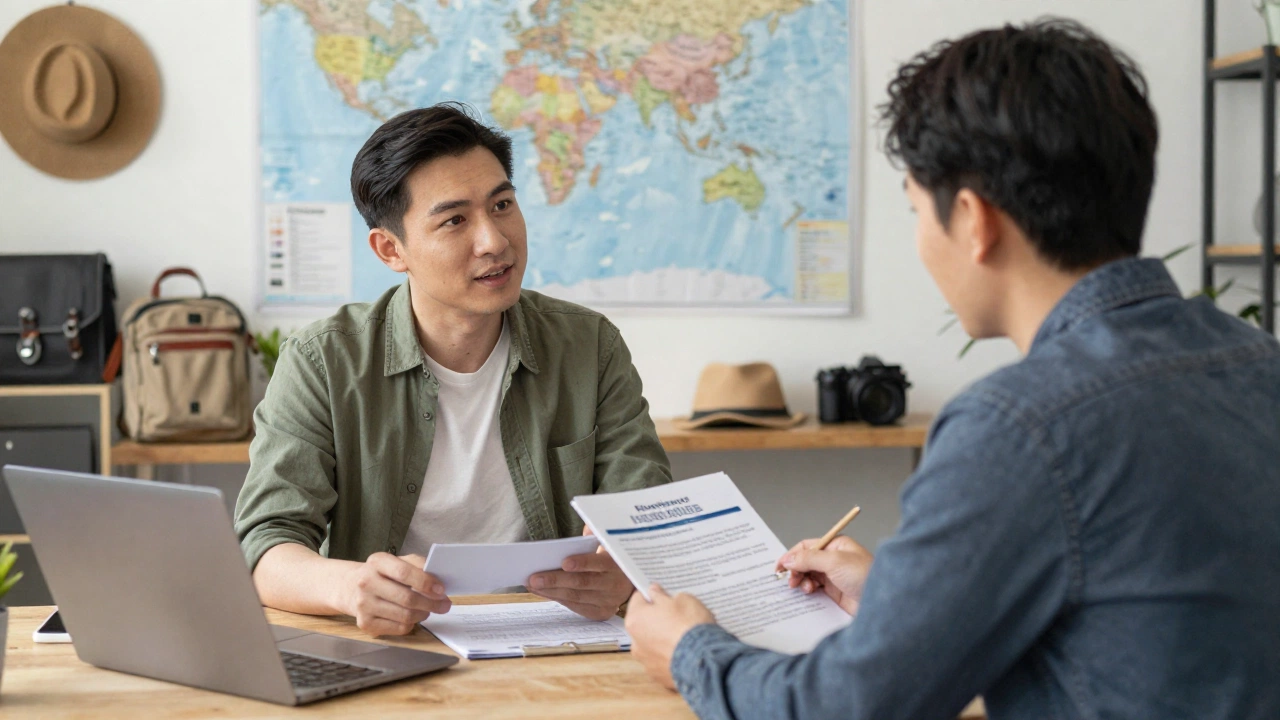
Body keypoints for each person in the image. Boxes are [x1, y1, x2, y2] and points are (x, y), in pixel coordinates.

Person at [624, 19, 1280, 720]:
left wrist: (690, 648)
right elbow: (1138, 623)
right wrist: (900, 602)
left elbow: (842, 708)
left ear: (973, 221)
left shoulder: (1018, 426)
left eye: (915, 210)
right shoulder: (1257, 363)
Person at [235, 103, 671, 636]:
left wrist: (623, 571)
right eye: (455, 220)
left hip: (555, 638)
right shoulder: (323, 359)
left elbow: (648, 515)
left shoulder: (589, 345)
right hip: (395, 644)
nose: (494, 240)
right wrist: (351, 588)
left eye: (503, 204)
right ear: (391, 249)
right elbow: (266, 545)